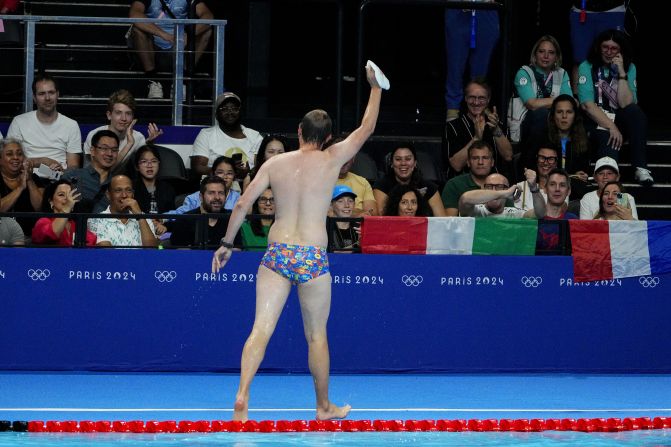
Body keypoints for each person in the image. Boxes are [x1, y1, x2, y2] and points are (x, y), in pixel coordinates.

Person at [212, 64, 383, 422]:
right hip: (313, 257)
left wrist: (227, 244)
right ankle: (323, 407)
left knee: (261, 329)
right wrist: (375, 87)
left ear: (299, 132)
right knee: (316, 336)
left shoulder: (276, 163)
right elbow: (367, 128)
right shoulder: (333, 159)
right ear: (329, 138)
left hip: (277, 254)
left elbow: (242, 203)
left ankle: (242, 396)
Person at [577, 29, 653, 185]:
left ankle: (640, 168)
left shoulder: (629, 67)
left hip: (617, 119)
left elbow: (626, 103)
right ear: (598, 47)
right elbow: (587, 105)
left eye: (614, 48)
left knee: (636, 113)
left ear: (620, 51)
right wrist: (612, 126)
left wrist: (622, 73)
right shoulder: (587, 66)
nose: (609, 52)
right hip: (595, 120)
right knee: (607, 135)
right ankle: (607, 181)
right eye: (605, 47)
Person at [129, 0, 214, 98]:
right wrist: (163, 34)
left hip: (180, 46)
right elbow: (134, 14)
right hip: (152, 48)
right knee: (137, 29)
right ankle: (153, 80)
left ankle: (183, 80)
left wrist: (188, 35)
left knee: (206, 31)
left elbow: (208, 16)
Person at [514, 35, 572, 168]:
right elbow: (532, 104)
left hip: (556, 123)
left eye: (551, 53)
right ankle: (527, 165)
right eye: (541, 51)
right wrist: (558, 101)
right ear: (535, 55)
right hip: (527, 124)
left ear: (556, 57)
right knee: (540, 114)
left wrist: (557, 103)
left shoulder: (562, 73)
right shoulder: (524, 72)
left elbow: (568, 103)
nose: (546, 56)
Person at [7, 73, 82, 170]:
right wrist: (44, 161)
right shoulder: (19, 122)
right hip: (26, 176)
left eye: (51, 92)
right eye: (41, 94)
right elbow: (11, 160)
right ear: (34, 98)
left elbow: (73, 167)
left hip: (59, 179)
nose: (47, 98)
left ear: (57, 94)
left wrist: (62, 172)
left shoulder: (71, 125)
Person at [443, 78, 513, 180]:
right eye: (472, 97)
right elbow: (456, 165)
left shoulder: (498, 125)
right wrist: (476, 138)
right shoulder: (453, 127)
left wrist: (496, 129)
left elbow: (508, 156)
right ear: (465, 98)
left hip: (494, 185)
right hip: (464, 185)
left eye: (481, 98)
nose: (476, 102)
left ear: (488, 99)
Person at [444, 1, 500, 121]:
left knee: (481, 67)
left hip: (486, 9)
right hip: (459, 10)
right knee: (455, 65)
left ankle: (480, 103)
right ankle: (453, 108)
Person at [83, 89, 163, 171]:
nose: (123, 118)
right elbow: (94, 174)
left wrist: (149, 144)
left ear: (132, 117)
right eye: (118, 113)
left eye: (128, 114)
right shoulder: (95, 135)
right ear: (109, 115)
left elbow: (142, 170)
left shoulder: (138, 138)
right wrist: (129, 144)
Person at [190, 92, 264, 179]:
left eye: (234, 108)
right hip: (216, 186)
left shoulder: (254, 136)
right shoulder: (206, 134)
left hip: (248, 186)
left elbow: (263, 166)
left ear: (240, 112)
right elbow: (198, 167)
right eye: (224, 109)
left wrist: (249, 172)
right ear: (216, 114)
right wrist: (225, 172)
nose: (230, 112)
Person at [569, 1, 626, 94]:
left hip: (613, 9)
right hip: (582, 10)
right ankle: (576, 102)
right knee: (579, 60)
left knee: (614, 56)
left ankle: (614, 102)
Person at [373, 144, 445, 217]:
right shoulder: (381, 186)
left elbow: (442, 222)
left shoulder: (430, 188)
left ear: (415, 163)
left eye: (408, 159)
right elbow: (382, 219)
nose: (403, 163)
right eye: (398, 159)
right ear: (391, 163)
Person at [88, 175, 159, 247]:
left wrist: (139, 216)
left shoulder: (145, 219)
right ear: (108, 195)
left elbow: (152, 250)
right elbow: (107, 254)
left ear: (133, 194)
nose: (124, 195)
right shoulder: (96, 220)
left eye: (128, 190)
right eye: (118, 190)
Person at [170, 176, 240, 248]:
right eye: (211, 193)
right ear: (201, 197)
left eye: (221, 193)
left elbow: (237, 250)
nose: (217, 197)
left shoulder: (231, 218)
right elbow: (180, 253)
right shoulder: (185, 220)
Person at [62, 130, 120, 213]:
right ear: (92, 151)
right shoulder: (72, 177)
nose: (110, 153)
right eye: (104, 148)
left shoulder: (118, 182)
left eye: (114, 150)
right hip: (80, 224)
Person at [546, 94, 592, 199]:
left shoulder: (583, 141)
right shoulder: (543, 139)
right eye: (559, 112)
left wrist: (582, 175)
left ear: (575, 115)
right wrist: (572, 175)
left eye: (569, 112)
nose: (564, 116)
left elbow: (582, 173)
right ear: (553, 115)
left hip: (573, 190)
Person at [31, 179, 97, 247]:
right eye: (61, 195)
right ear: (51, 201)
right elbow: (52, 234)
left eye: (69, 195)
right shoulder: (43, 222)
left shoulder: (75, 225)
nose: (67, 199)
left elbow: (91, 241)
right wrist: (67, 207)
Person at [167, 156, 239, 214]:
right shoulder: (194, 198)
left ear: (234, 176)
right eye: (220, 172)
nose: (225, 177)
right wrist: (162, 219)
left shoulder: (239, 199)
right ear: (213, 174)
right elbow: (179, 214)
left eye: (229, 173)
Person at [0, 138, 44, 235]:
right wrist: (20, 188)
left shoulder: (34, 179)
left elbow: (40, 208)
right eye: (9, 154)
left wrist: (29, 180)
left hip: (30, 236)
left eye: (19, 154)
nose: (16, 157)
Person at [458, 170, 545, 218]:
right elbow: (465, 199)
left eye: (499, 187)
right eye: (489, 187)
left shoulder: (514, 214)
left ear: (508, 189)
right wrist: (503, 193)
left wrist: (534, 188)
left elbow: (540, 214)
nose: (493, 191)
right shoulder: (475, 211)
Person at [441, 139, 496, 216]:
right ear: (468, 162)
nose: (480, 162)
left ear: (492, 162)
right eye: (475, 158)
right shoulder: (454, 185)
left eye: (485, 158)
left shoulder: (501, 184)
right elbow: (449, 222)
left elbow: (511, 219)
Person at [132, 145, 175, 236]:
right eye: (144, 162)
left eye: (154, 161)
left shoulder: (168, 188)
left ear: (159, 164)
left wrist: (165, 226)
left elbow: (173, 216)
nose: (149, 165)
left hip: (162, 233)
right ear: (137, 166)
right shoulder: (131, 188)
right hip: (138, 231)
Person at [534, 168, 578, 254]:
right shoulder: (532, 218)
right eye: (552, 184)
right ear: (545, 189)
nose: (557, 189)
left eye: (562, 185)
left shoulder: (574, 221)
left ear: (568, 191)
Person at [514, 145, 559, 212]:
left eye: (551, 159)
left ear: (556, 163)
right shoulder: (521, 186)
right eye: (542, 158)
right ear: (537, 160)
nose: (546, 163)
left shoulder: (561, 188)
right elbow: (516, 215)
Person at [327, 185, 360, 252]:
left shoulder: (359, 228)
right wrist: (358, 244)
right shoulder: (324, 227)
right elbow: (326, 255)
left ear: (354, 204)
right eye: (340, 201)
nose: (347, 205)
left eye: (350, 201)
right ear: (331, 205)